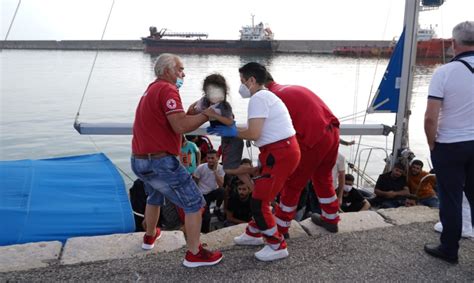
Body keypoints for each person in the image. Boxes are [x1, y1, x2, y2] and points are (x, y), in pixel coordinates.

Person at [130, 53, 222, 268]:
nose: (183, 73)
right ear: (167, 71)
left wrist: (193, 112)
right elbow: (180, 127)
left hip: (139, 160)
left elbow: (172, 121)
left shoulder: (151, 90)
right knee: (195, 203)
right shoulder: (168, 89)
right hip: (160, 161)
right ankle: (194, 253)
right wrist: (207, 114)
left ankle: (150, 236)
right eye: (180, 69)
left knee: (154, 195)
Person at [208, 62, 300, 262]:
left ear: (251, 80)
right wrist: (232, 131)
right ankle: (253, 233)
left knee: (259, 202)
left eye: (242, 81)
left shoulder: (258, 98)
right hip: (279, 152)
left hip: (279, 153)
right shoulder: (268, 97)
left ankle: (277, 245)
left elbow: (253, 133)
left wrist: (230, 131)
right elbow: (258, 132)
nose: (241, 86)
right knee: (261, 195)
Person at [263, 71, 341, 235]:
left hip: (314, 138)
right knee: (323, 176)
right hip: (332, 131)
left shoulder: (271, 98)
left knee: (293, 183)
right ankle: (331, 219)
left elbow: (270, 133)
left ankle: (281, 228)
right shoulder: (289, 88)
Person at [423, 21, 474, 264]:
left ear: (454, 44)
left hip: (450, 146)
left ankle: (449, 250)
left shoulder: (444, 72)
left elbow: (431, 117)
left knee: (451, 199)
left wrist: (432, 144)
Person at [188, 73, 253, 190]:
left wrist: (213, 115)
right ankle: (253, 187)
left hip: (234, 138)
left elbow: (230, 122)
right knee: (236, 170)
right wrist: (193, 110)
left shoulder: (224, 106)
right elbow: (191, 113)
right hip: (225, 139)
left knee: (229, 169)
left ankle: (256, 169)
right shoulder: (204, 102)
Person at [193, 149, 225, 233]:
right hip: (202, 194)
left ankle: (217, 208)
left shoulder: (220, 168)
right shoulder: (201, 168)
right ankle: (205, 233)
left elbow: (221, 184)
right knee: (207, 217)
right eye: (208, 158)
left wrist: (215, 171)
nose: (210, 160)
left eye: (212, 158)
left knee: (222, 191)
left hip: (213, 192)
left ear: (217, 158)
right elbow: (194, 183)